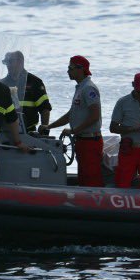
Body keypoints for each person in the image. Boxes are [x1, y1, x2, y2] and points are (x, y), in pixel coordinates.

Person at [41, 55, 104, 187]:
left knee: (91, 178)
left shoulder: (89, 89)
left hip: (90, 142)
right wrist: (49, 126)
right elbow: (71, 115)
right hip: (82, 141)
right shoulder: (80, 88)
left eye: (70, 68)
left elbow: (95, 116)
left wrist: (74, 130)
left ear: (80, 69)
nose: (68, 71)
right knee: (83, 177)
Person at [0, 51, 52, 134]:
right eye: (5, 62)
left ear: (20, 62)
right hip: (4, 131)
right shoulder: (1, 84)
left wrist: (44, 131)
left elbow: (45, 109)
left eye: (10, 61)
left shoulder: (35, 82)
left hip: (28, 132)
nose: (8, 65)